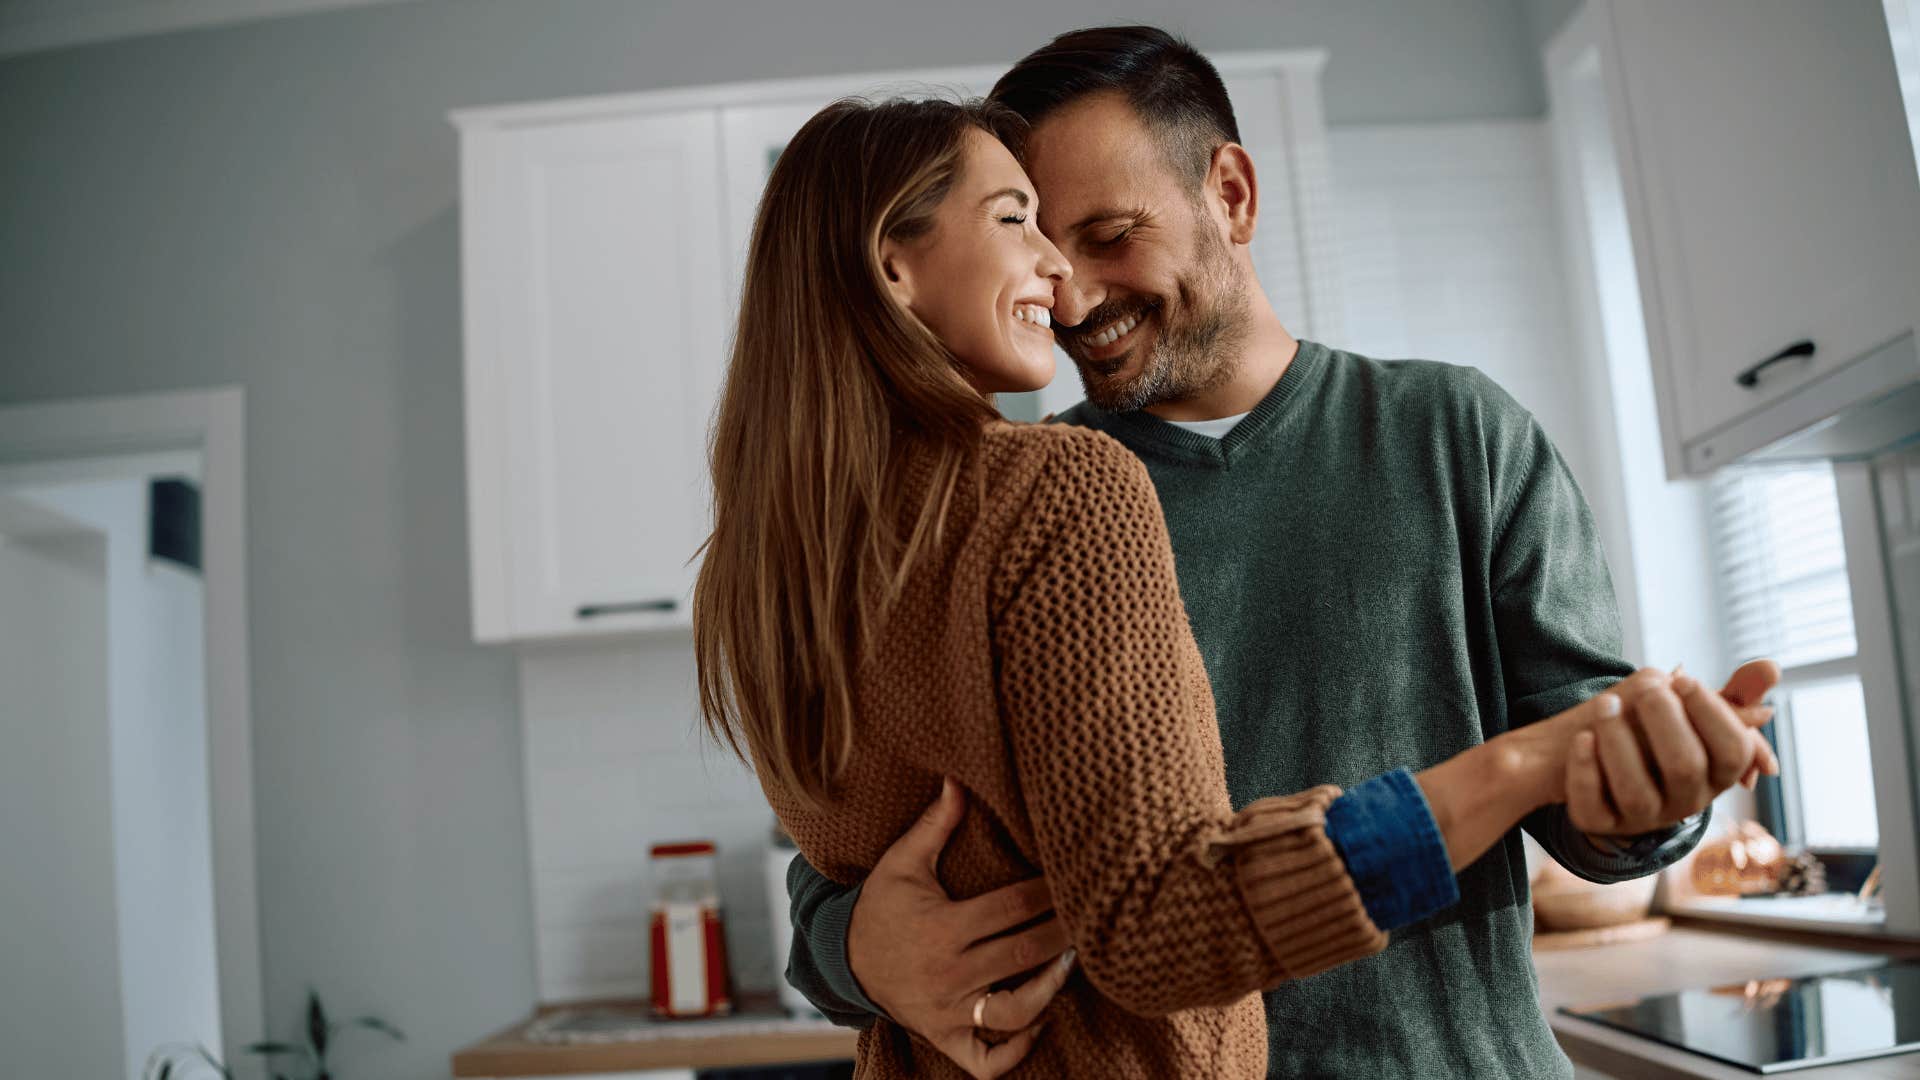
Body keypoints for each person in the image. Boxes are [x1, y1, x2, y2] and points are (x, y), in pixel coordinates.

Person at [695, 93, 1774, 1078]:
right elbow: (874, 862)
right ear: (898, 262)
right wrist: (854, 951)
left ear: (1233, 195)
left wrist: (1646, 787)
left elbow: (1593, 780)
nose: (1068, 286)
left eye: (1109, 236)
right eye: (1022, 221)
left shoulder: (1455, 436)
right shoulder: (1029, 498)